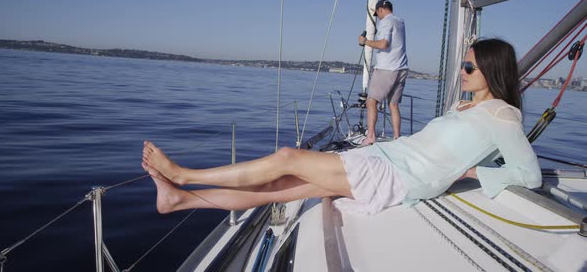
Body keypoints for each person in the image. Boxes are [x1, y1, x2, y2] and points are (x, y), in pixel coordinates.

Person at [142, 38, 541, 216]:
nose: (463, 70)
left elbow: (529, 174)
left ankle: (183, 175)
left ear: (492, 69)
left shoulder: (503, 115)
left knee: (286, 158)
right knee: (276, 191)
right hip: (385, 158)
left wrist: (470, 171)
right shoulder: (464, 107)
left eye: (470, 66)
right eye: (464, 63)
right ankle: (179, 200)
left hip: (396, 176)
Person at [358, 0, 408, 144]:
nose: (377, 17)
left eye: (377, 14)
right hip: (402, 68)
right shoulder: (400, 21)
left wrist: (365, 42)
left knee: (371, 101)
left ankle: (371, 136)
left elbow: (383, 44)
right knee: (393, 105)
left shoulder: (385, 22)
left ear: (381, 10)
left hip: (387, 68)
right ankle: (397, 137)